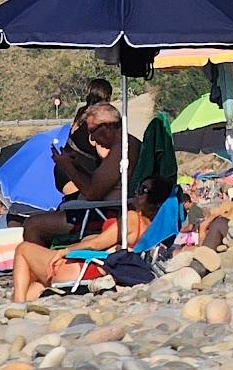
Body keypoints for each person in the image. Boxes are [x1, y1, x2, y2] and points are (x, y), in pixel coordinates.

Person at [23, 102, 142, 246]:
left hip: (100, 214)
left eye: (92, 131)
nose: (92, 139)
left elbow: (93, 193)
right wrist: (77, 166)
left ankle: (45, 266)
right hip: (98, 210)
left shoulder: (122, 148)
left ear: (107, 126)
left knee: (32, 225)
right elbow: (99, 183)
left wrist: (67, 167)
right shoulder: (123, 145)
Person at [11, 188, 162, 302]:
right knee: (35, 280)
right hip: (95, 266)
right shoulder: (154, 226)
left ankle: (17, 303)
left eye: (142, 190)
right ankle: (19, 312)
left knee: (23, 249)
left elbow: (97, 244)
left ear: (152, 199)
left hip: (82, 268)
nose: (136, 192)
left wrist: (65, 250)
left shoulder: (132, 218)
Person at [54, 78, 114, 199]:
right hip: (79, 172)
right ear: (107, 96)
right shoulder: (99, 118)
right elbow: (103, 153)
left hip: (64, 168)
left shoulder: (82, 112)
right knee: (82, 208)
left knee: (73, 204)